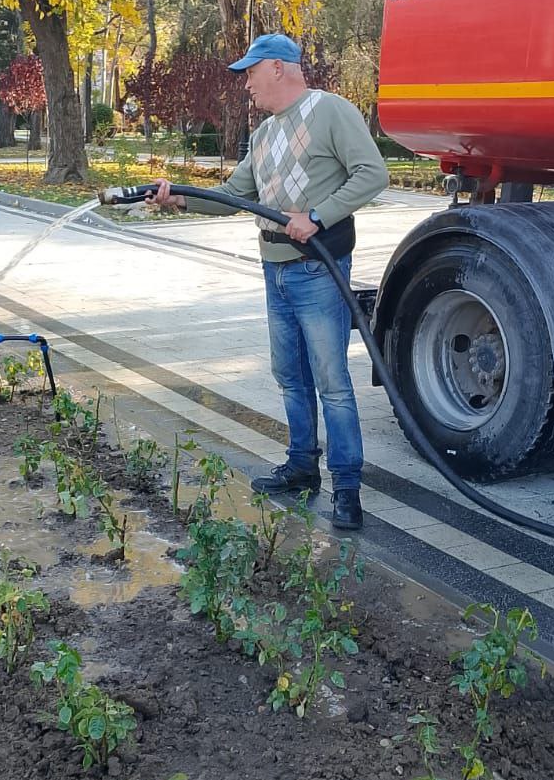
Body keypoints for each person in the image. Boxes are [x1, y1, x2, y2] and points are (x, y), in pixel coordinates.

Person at [148, 33, 388, 530]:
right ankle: (302, 466)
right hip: (274, 270)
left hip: (319, 270)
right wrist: (179, 199)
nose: (247, 85)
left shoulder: (330, 111)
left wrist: (317, 216)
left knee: (332, 382)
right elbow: (236, 195)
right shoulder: (262, 137)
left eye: (251, 73)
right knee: (289, 376)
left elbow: (372, 173)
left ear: (278, 68)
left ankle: (347, 487)